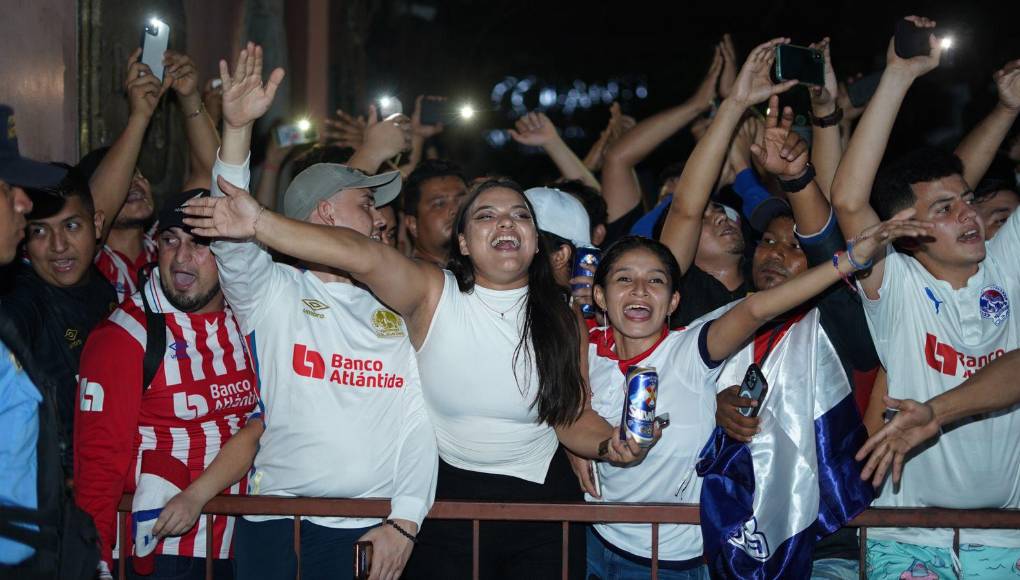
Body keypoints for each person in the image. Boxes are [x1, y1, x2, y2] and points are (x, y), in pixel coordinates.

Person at [185, 72, 663, 578]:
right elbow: (364, 254)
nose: (505, 222)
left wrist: (611, 444)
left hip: (542, 507)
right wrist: (258, 220)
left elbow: (572, 415)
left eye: (520, 215)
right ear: (463, 243)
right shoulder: (433, 293)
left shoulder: (563, 318)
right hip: (447, 501)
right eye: (485, 216)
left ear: (535, 240)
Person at [180, 43, 438, 580]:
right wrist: (236, 130)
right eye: (365, 204)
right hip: (276, 523)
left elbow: (419, 422)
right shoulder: (272, 290)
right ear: (325, 212)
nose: (379, 217)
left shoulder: (401, 302)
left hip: (365, 526)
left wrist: (406, 521)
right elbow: (233, 220)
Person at [578, 188, 915, 580]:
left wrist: (849, 261)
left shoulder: (690, 350)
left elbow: (754, 309)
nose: (639, 290)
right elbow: (562, 413)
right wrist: (588, 445)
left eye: (655, 280)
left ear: (673, 302)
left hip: (668, 561)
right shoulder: (584, 349)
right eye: (624, 279)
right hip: (591, 543)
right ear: (600, 295)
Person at [829, 16, 1020, 579]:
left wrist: (1008, 108)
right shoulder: (898, 287)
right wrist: (897, 74)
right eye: (944, 209)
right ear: (906, 231)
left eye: (968, 202)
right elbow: (849, 200)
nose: (969, 215)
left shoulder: (1007, 262)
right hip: (906, 538)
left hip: (1003, 539)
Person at [74, 189, 257, 580]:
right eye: (170, 240)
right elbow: (98, 462)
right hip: (161, 553)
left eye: (199, 243)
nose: (181, 257)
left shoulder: (249, 320)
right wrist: (94, 563)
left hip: (242, 547)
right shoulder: (125, 335)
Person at [1, 168, 118, 471]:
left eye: (71, 226)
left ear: (97, 225)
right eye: (39, 231)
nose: (58, 246)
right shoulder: (24, 300)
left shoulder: (101, 287)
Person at [84, 48, 218, 302]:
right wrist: (140, 115)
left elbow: (211, 173)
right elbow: (94, 210)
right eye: (124, 179)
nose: (135, 183)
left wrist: (189, 96)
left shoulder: (167, 243)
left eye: (138, 175)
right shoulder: (87, 258)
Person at [401, 159, 468, 265]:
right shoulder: (406, 273)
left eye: (462, 201)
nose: (455, 210)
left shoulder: (481, 269)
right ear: (413, 224)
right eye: (439, 204)